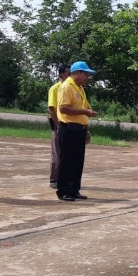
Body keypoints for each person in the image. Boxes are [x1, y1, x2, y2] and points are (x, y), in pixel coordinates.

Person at [56, 61, 97, 202]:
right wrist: (85, 112)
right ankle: (63, 191)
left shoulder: (80, 88)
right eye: (86, 74)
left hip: (80, 129)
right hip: (69, 128)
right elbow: (63, 108)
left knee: (77, 161)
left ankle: (74, 190)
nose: (87, 77)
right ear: (76, 73)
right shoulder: (67, 87)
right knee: (67, 161)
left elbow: (83, 111)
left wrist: (87, 130)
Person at [47, 64, 70, 189]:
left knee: (67, 153)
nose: (70, 76)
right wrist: (58, 125)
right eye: (68, 73)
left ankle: (65, 179)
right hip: (59, 124)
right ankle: (54, 179)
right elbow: (52, 109)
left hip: (69, 125)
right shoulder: (55, 88)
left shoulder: (70, 88)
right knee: (57, 152)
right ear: (62, 75)